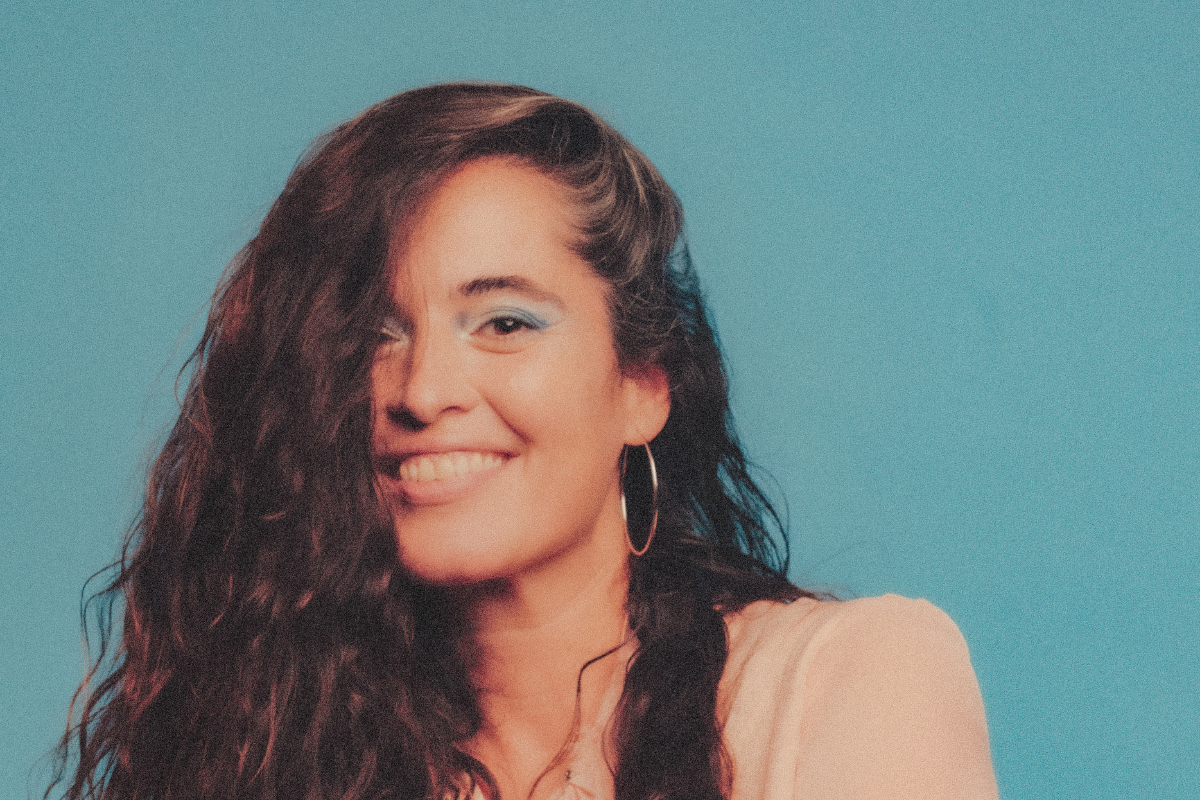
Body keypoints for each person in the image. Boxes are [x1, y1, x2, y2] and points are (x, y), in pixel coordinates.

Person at [51, 83, 998, 800]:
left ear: (642, 387)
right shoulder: (277, 753)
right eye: (373, 334)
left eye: (505, 322)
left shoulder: (847, 685)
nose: (422, 391)